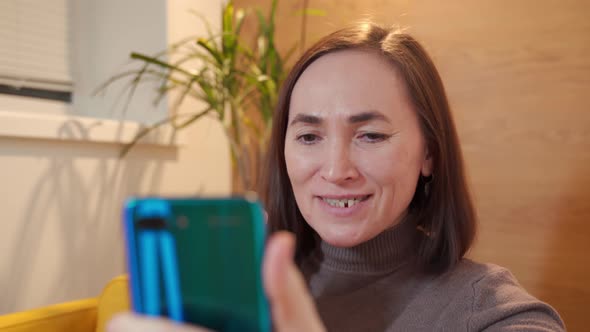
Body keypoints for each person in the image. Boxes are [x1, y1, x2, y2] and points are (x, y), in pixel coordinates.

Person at [108, 22, 565, 332]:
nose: (335, 170)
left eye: (369, 135)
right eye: (308, 136)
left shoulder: (491, 313)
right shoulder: (237, 285)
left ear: (429, 152)